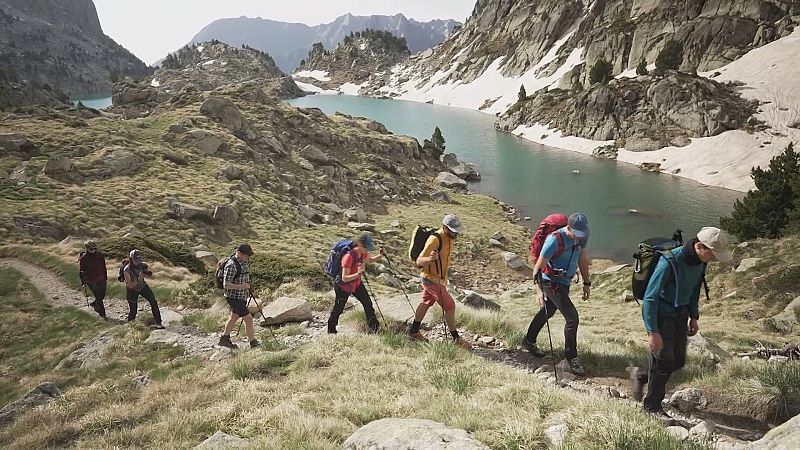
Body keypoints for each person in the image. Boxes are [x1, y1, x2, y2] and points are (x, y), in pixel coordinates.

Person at [632, 227, 731, 418]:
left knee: (678, 361)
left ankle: (641, 375)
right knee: (664, 362)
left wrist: (694, 316)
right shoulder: (669, 262)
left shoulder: (700, 261)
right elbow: (650, 298)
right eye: (713, 254)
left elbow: (694, 289)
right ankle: (651, 407)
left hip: (681, 314)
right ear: (700, 246)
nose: (715, 259)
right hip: (662, 315)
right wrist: (652, 331)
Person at [521, 213, 591, 375]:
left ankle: (528, 341)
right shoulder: (554, 240)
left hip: (565, 282)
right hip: (550, 282)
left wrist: (586, 283)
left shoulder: (581, 237)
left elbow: (582, 258)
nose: (579, 237)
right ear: (568, 228)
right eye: (576, 234)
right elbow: (538, 268)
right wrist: (539, 291)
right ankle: (571, 357)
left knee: (549, 309)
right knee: (572, 318)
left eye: (582, 234)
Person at [408, 214, 472, 350]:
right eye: (453, 231)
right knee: (449, 306)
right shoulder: (434, 240)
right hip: (430, 279)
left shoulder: (450, 238)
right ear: (445, 228)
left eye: (457, 231)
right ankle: (456, 339)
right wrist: (430, 259)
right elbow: (419, 262)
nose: (455, 234)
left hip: (439, 279)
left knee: (426, 302)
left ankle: (413, 331)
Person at [327, 233, 385, 334]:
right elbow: (344, 278)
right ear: (360, 245)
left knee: (367, 303)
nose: (367, 250)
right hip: (342, 286)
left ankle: (374, 328)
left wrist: (380, 255)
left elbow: (369, 260)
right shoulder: (348, 257)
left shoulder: (361, 253)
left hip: (356, 283)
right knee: (338, 309)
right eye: (366, 248)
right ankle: (331, 330)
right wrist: (358, 274)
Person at [218, 243, 259, 349]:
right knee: (248, 319)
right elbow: (226, 284)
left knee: (234, 317)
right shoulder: (231, 265)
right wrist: (242, 286)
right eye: (246, 255)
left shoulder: (244, 261)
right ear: (239, 253)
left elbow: (243, 275)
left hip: (242, 296)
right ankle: (253, 342)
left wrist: (248, 286)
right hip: (233, 297)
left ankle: (224, 338)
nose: (248, 257)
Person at [123, 249, 164, 329]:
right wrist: (138, 280)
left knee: (153, 302)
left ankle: (158, 322)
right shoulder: (127, 270)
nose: (137, 262)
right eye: (135, 260)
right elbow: (129, 285)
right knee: (133, 310)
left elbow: (151, 275)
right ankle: (130, 326)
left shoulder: (143, 265)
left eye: (139, 259)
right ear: (131, 259)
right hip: (132, 290)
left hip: (142, 286)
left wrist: (147, 273)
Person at [78, 240, 107, 319]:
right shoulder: (83, 258)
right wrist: (83, 282)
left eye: (95, 248)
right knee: (98, 296)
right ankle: (102, 314)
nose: (93, 250)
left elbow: (103, 266)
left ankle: (94, 304)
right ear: (87, 249)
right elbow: (81, 271)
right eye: (91, 249)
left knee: (102, 294)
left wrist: (105, 277)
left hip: (101, 277)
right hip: (90, 280)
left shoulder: (99, 255)